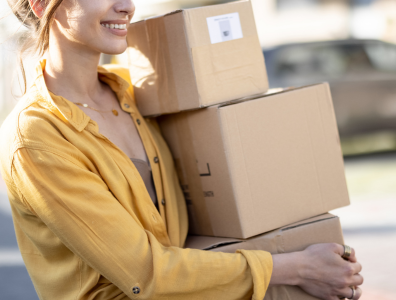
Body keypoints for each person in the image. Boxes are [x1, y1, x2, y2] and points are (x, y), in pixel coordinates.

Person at [0, 0, 364, 299]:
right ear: (43, 4)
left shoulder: (134, 93)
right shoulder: (37, 137)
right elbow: (147, 273)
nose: (127, 6)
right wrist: (298, 267)